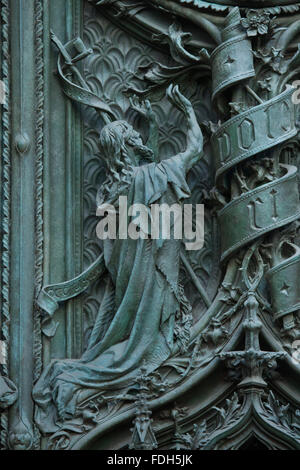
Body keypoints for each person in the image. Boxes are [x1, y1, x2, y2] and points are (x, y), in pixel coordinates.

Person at [33, 85, 204, 430]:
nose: (138, 135)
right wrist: (187, 110)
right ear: (127, 145)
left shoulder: (111, 191)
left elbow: (145, 183)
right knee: (141, 346)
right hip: (154, 280)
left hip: (130, 282)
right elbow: (194, 149)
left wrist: (153, 123)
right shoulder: (155, 174)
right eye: (132, 132)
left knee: (131, 342)